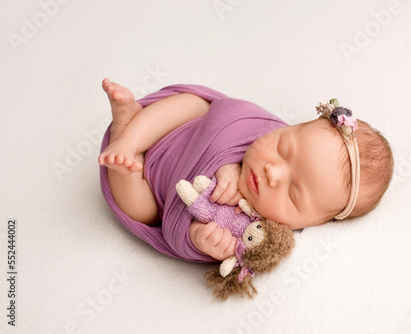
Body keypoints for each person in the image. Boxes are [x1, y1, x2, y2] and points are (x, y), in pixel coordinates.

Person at [98, 78, 393, 263]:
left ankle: (125, 131)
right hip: (180, 128)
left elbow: (177, 232)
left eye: (293, 193)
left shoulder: (253, 230)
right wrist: (228, 164)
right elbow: (229, 113)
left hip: (154, 184)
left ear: (311, 223)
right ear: (288, 129)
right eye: (282, 148)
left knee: (142, 211)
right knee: (196, 104)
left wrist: (201, 239)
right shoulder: (262, 128)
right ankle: (132, 137)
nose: (273, 173)